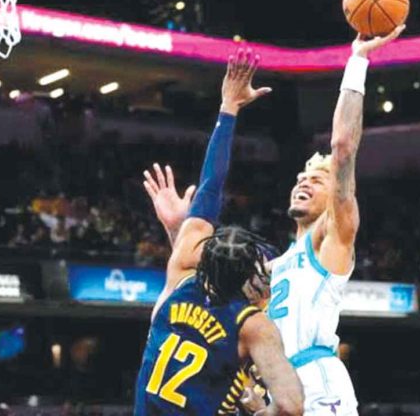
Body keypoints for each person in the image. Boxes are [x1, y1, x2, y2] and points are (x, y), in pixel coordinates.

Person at [134, 49, 303, 416]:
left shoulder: (180, 281)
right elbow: (292, 406)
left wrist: (228, 107)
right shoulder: (253, 326)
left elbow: (209, 190)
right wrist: (260, 410)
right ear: (250, 280)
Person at [266, 26, 404, 415]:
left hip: (317, 379)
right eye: (300, 177)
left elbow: (343, 148)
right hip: (279, 387)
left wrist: (357, 61)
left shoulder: (332, 238)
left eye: (317, 178)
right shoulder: (276, 265)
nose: (304, 181)